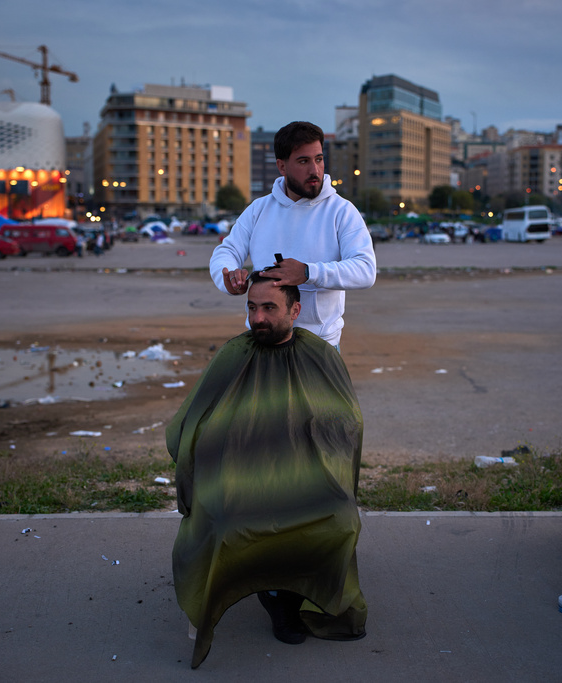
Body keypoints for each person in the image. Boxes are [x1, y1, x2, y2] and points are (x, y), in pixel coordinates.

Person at [167, 272, 368, 669]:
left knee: (340, 519)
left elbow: (348, 420)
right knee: (226, 523)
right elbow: (191, 421)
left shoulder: (321, 356)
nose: (258, 318)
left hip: (309, 472)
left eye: (269, 308)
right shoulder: (233, 355)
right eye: (252, 308)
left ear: (295, 311)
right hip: (240, 476)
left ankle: (297, 594)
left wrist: (320, 441)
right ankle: (274, 599)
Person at [209, 121, 376, 349]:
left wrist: (308, 272)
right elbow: (226, 251)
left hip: (320, 347)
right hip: (263, 343)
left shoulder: (342, 211)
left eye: (318, 159)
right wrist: (227, 278)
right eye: (303, 161)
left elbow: (366, 270)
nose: (314, 170)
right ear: (282, 166)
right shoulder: (259, 209)